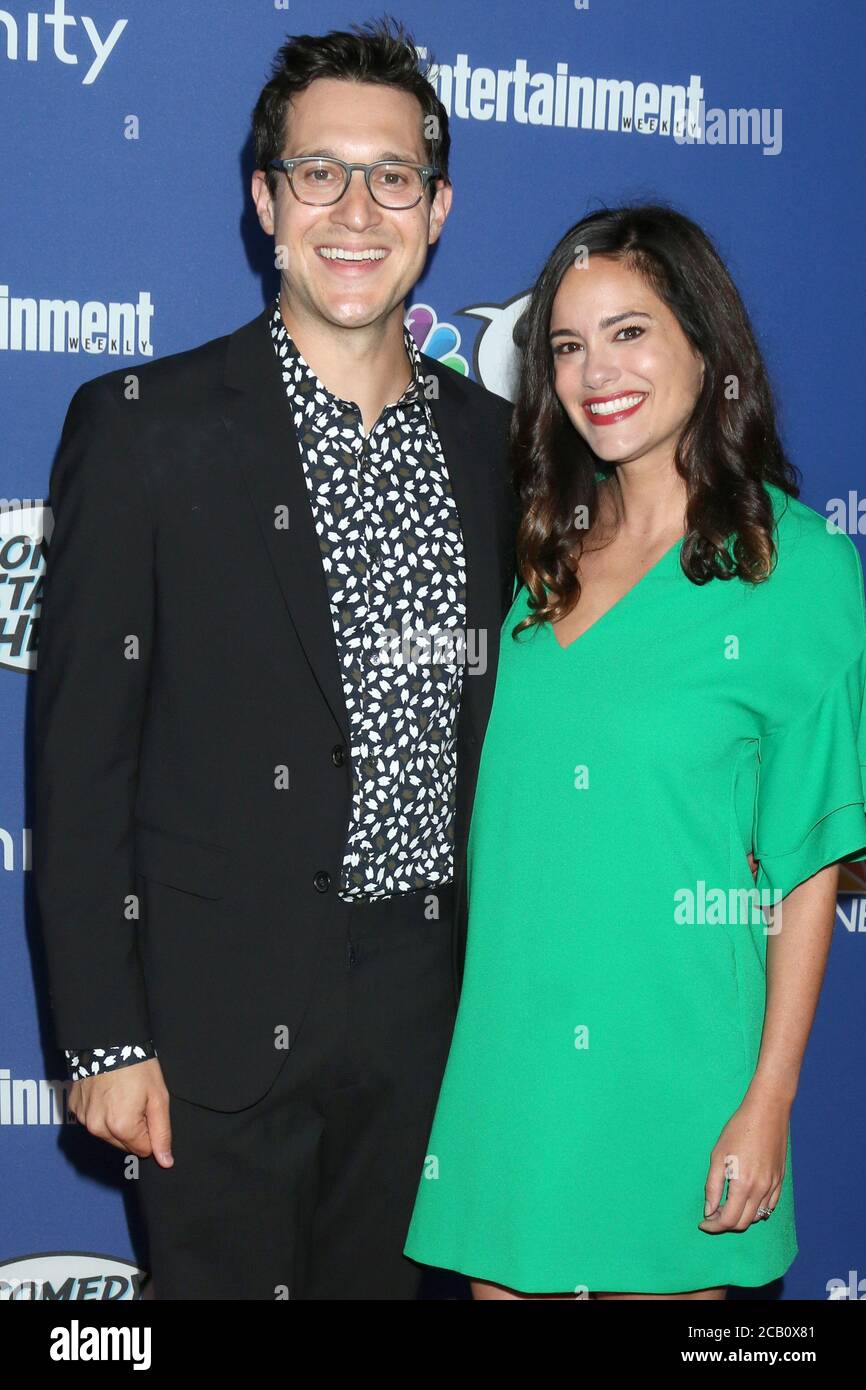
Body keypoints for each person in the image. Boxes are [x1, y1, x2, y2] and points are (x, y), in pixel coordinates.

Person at [33, 18, 516, 1300]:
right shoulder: (141, 432)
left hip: (428, 1017)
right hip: (210, 1022)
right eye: (318, 173)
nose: (355, 208)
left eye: (392, 175)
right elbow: (78, 769)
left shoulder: (502, 451)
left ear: (438, 206)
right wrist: (105, 1036)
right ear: (265, 201)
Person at [403, 203, 866, 1300]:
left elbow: (806, 866)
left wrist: (766, 1102)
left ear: (704, 348)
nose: (592, 371)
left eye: (628, 332)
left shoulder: (794, 569)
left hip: (681, 1067)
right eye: (565, 344)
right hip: (511, 1057)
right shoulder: (527, 550)